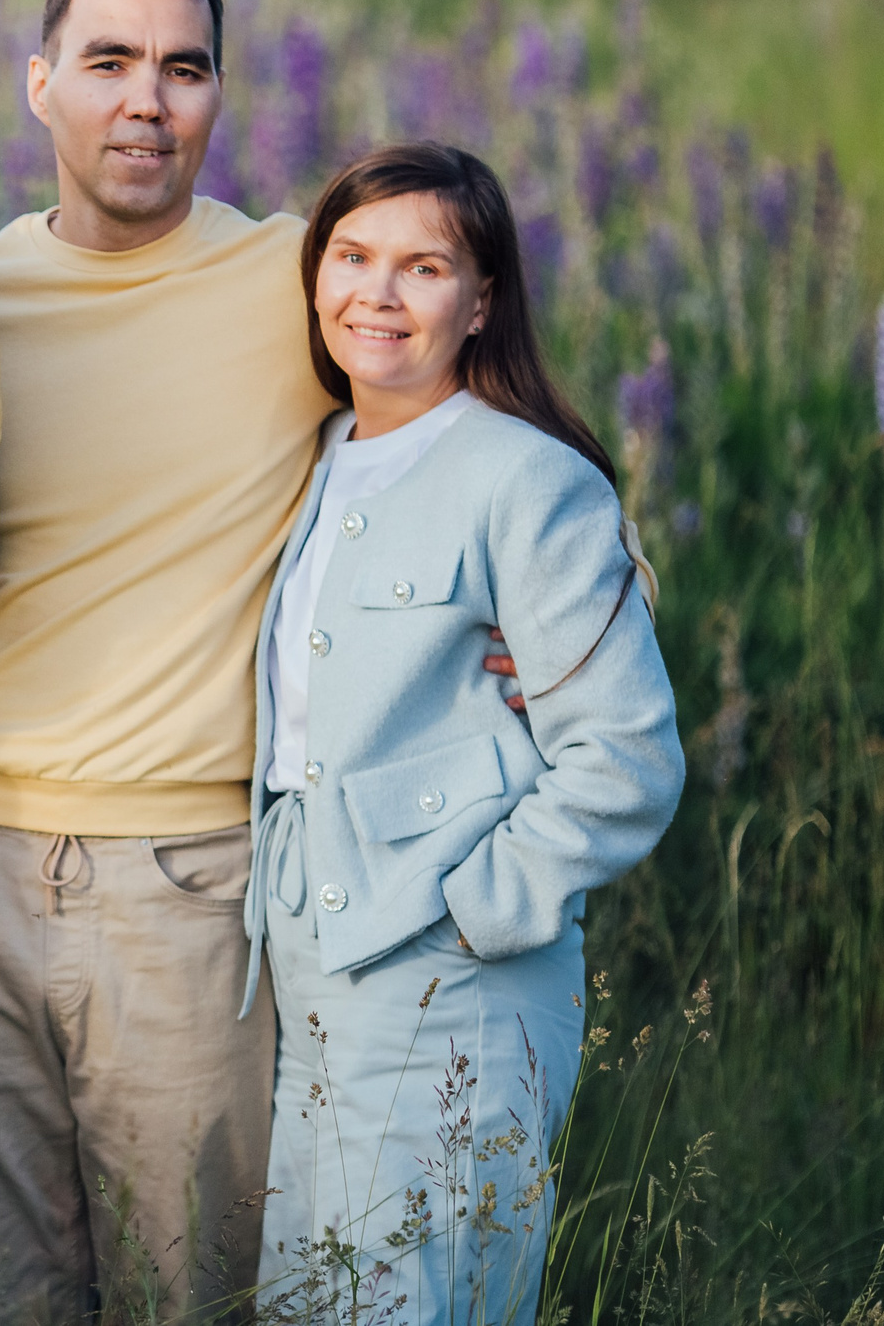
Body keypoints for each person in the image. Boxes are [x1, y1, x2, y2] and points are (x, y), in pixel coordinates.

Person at [0, 0, 336, 1319]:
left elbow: (494, 450)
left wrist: (530, 633)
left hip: (191, 883)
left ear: (218, 97)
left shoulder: (300, 283)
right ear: (40, 87)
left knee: (191, 1284)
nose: (145, 100)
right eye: (107, 63)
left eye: (183, 67)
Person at [247, 143, 682, 1320]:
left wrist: (471, 909)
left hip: (456, 968)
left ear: (481, 300)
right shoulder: (321, 459)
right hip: (309, 954)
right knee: (315, 1296)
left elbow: (625, 760)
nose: (377, 294)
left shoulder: (528, 481)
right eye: (350, 257)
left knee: (415, 1298)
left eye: (423, 266)